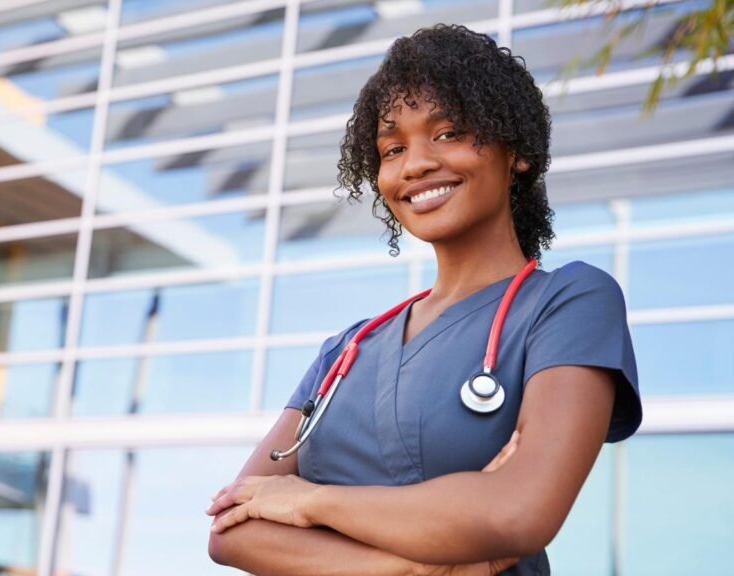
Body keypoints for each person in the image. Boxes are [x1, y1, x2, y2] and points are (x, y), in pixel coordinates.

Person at [205, 24, 641, 576]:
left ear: (518, 152)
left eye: (448, 132)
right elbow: (231, 530)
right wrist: (426, 568)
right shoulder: (348, 348)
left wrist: (309, 501)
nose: (414, 164)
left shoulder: (568, 302)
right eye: (393, 148)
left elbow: (521, 511)